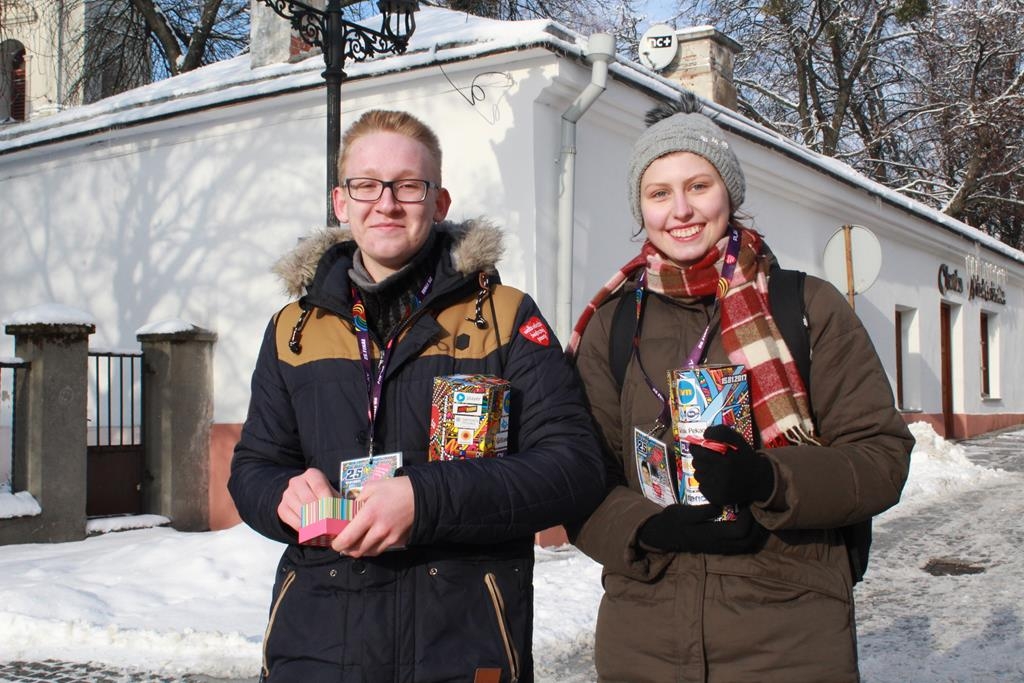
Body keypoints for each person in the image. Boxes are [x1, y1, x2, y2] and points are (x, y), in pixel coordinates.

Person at [229, 109, 606, 682]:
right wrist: (281, 494)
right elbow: (253, 468)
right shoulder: (293, 329)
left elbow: (573, 468)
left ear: (439, 202)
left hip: (461, 640)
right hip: (318, 646)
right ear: (341, 202)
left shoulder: (504, 317)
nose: (386, 203)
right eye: (366, 185)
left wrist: (425, 501)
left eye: (409, 186)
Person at [568, 92, 914, 682]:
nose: (681, 209)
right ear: (641, 209)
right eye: (659, 193)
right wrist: (644, 527)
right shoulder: (613, 325)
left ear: (729, 193)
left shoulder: (805, 307)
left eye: (698, 186)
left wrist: (768, 479)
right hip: (645, 637)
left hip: (789, 635)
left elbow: (881, 457)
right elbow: (579, 474)